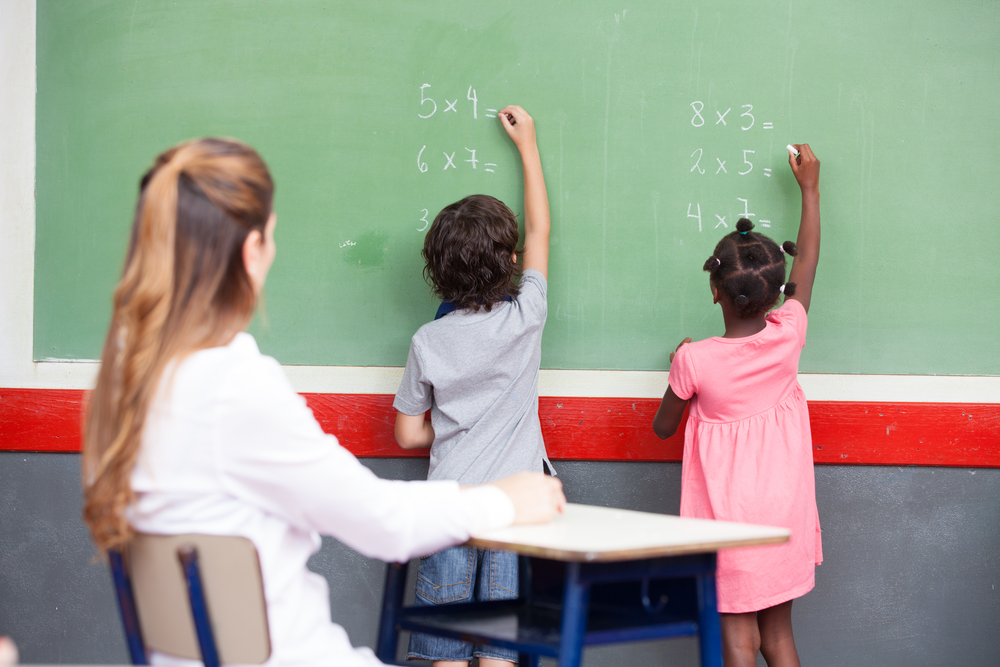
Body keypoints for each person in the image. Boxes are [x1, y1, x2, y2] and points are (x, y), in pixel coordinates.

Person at [81, 137, 565, 667]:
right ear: (251, 252)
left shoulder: (122, 387)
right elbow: (381, 521)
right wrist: (506, 500)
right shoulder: (240, 386)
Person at [393, 104, 552, 667]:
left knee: (444, 653)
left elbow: (410, 436)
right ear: (512, 262)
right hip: (513, 512)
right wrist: (527, 145)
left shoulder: (427, 342)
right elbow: (541, 230)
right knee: (501, 655)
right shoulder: (526, 315)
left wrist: (460, 422)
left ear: (436, 269)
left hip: (448, 509)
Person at [652, 145, 822, 667]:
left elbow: (663, 428)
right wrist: (810, 190)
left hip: (725, 526)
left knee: (738, 641)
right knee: (780, 638)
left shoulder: (695, 361)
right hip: (783, 517)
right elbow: (809, 262)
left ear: (714, 289)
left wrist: (678, 365)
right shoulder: (789, 333)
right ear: (777, 295)